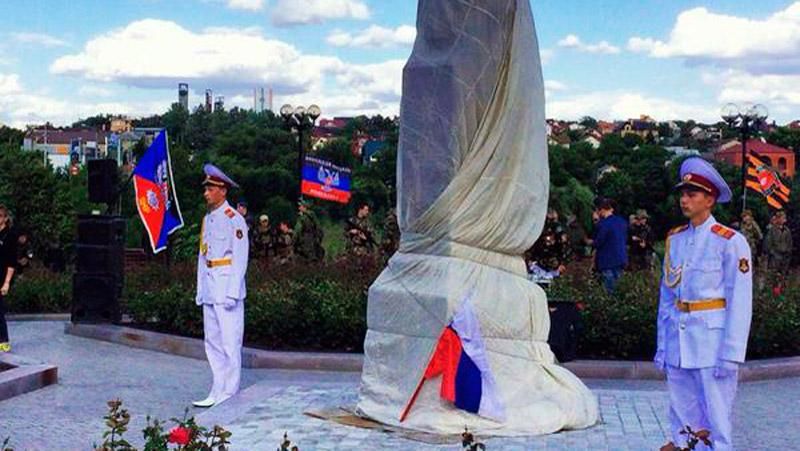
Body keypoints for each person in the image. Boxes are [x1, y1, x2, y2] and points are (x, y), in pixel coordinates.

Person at [655, 158, 752, 451]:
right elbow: (667, 297)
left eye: (692, 194)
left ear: (710, 199)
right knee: (682, 417)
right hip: (678, 342)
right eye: (682, 194)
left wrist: (732, 353)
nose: (684, 200)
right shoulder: (676, 239)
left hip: (712, 343)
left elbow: (740, 301)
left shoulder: (730, 241)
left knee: (716, 419)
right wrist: (662, 345)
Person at [193, 164, 249, 408]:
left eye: (211, 189)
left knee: (230, 342)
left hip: (226, 288)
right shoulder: (208, 219)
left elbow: (240, 257)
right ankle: (216, 389)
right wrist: (199, 289)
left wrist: (233, 291)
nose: (206, 193)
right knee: (212, 342)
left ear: (223, 191)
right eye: (206, 188)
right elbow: (203, 257)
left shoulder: (234, 219)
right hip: (210, 288)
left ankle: (230, 391)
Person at [591, 198, 628, 293]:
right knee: (619, 288)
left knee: (609, 290)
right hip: (621, 258)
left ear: (602, 210)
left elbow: (598, 242)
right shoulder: (622, 222)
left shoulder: (603, 224)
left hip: (607, 261)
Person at [525, 208, 571, 275]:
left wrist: (562, 264)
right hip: (537, 262)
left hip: (553, 264)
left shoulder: (558, 229)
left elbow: (565, 245)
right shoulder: (538, 228)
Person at [0, 205, 17, 353]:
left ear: (5, 218)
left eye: (0, 216)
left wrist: (6, 282)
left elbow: (12, 262)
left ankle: (3, 340)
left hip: (2, 274)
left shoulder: (10, 235)